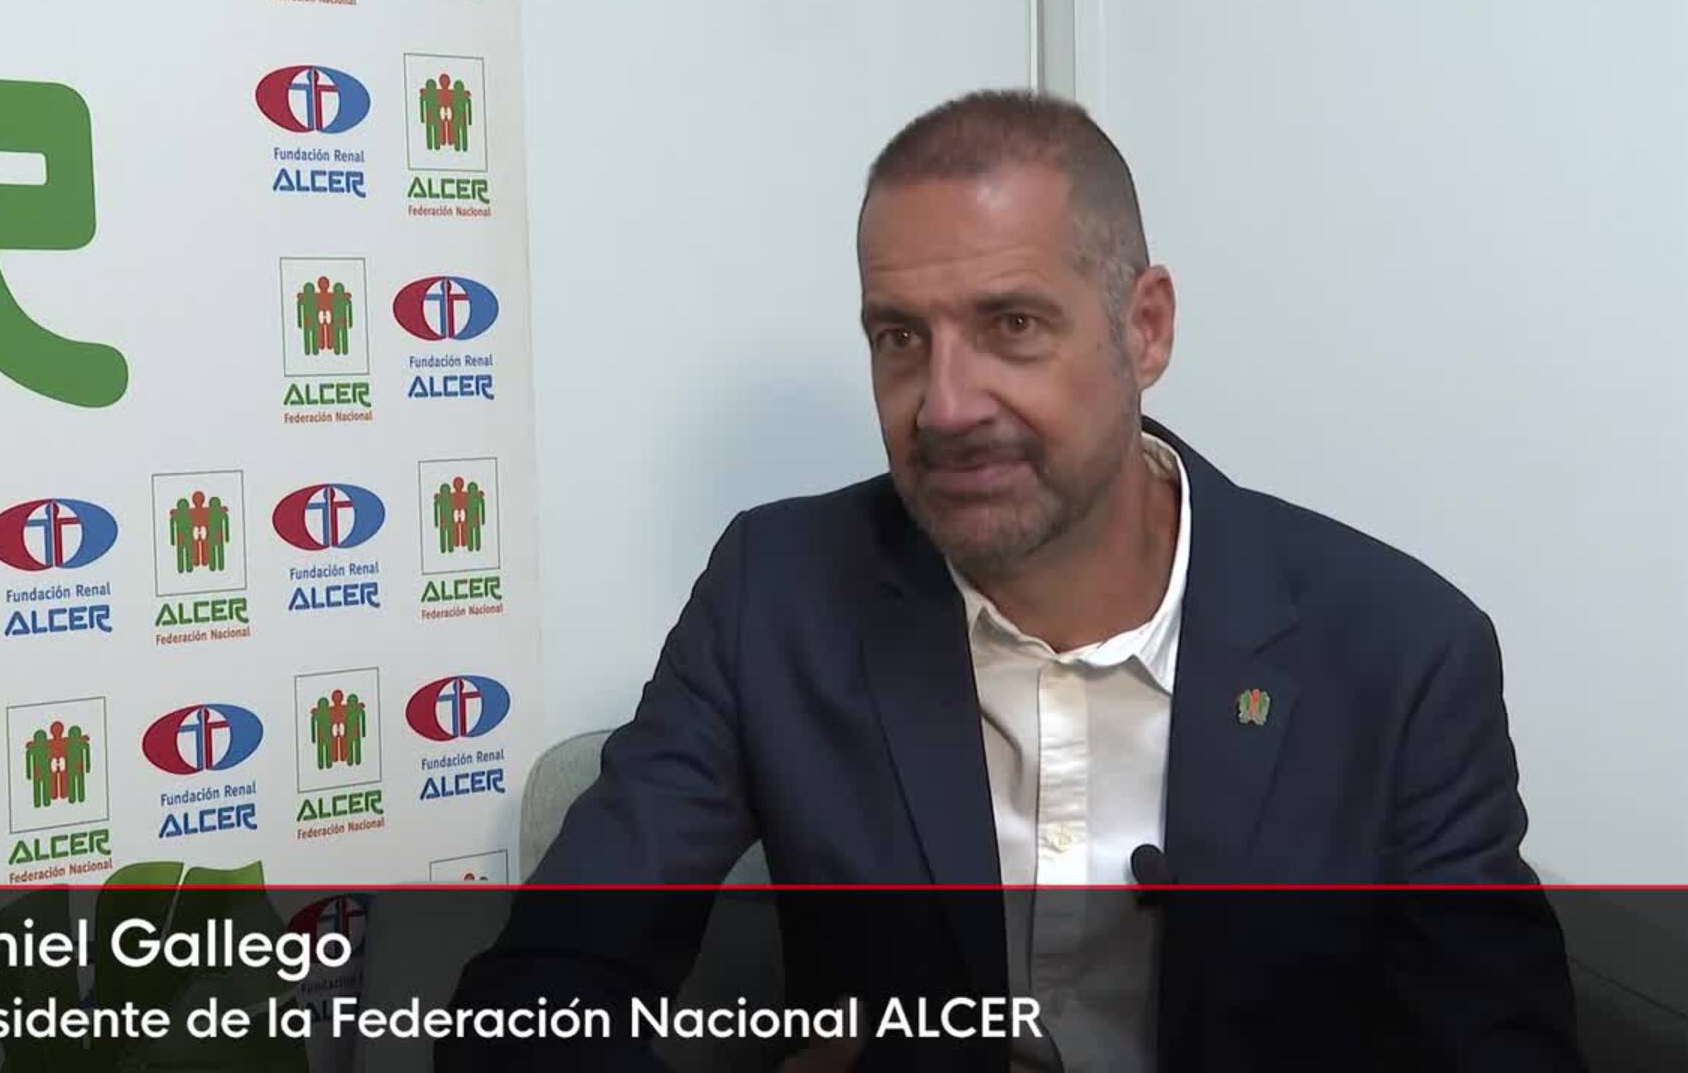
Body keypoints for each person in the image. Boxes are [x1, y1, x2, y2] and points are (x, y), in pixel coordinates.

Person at [451, 90, 1583, 1070]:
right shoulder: (776, 594)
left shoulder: (1398, 653)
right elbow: (536, 999)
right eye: (900, 338)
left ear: (1145, 330)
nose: (945, 406)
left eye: (1013, 324)